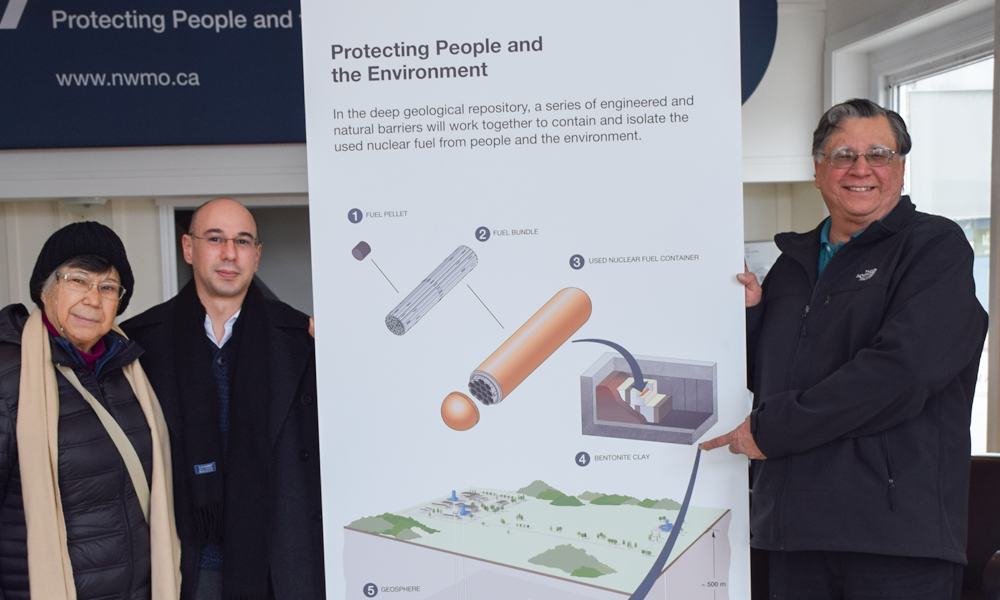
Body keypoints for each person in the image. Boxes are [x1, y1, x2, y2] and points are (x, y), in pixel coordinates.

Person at [702, 99, 988, 598]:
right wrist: (749, 316)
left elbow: (904, 373)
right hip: (794, 536)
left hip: (895, 541)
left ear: (900, 166)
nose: (861, 169)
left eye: (878, 154)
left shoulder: (934, 248)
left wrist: (775, 430)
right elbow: (768, 378)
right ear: (818, 170)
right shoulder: (792, 266)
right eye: (842, 156)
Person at [121, 198, 323, 600]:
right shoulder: (139, 343)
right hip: (186, 566)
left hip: (279, 566)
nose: (230, 253)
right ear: (188, 248)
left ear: (257, 255)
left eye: (243, 241)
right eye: (215, 238)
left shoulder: (305, 337)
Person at [0, 222, 181, 600]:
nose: (92, 299)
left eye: (107, 287)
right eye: (77, 280)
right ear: (46, 288)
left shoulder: (127, 369)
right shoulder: (10, 374)